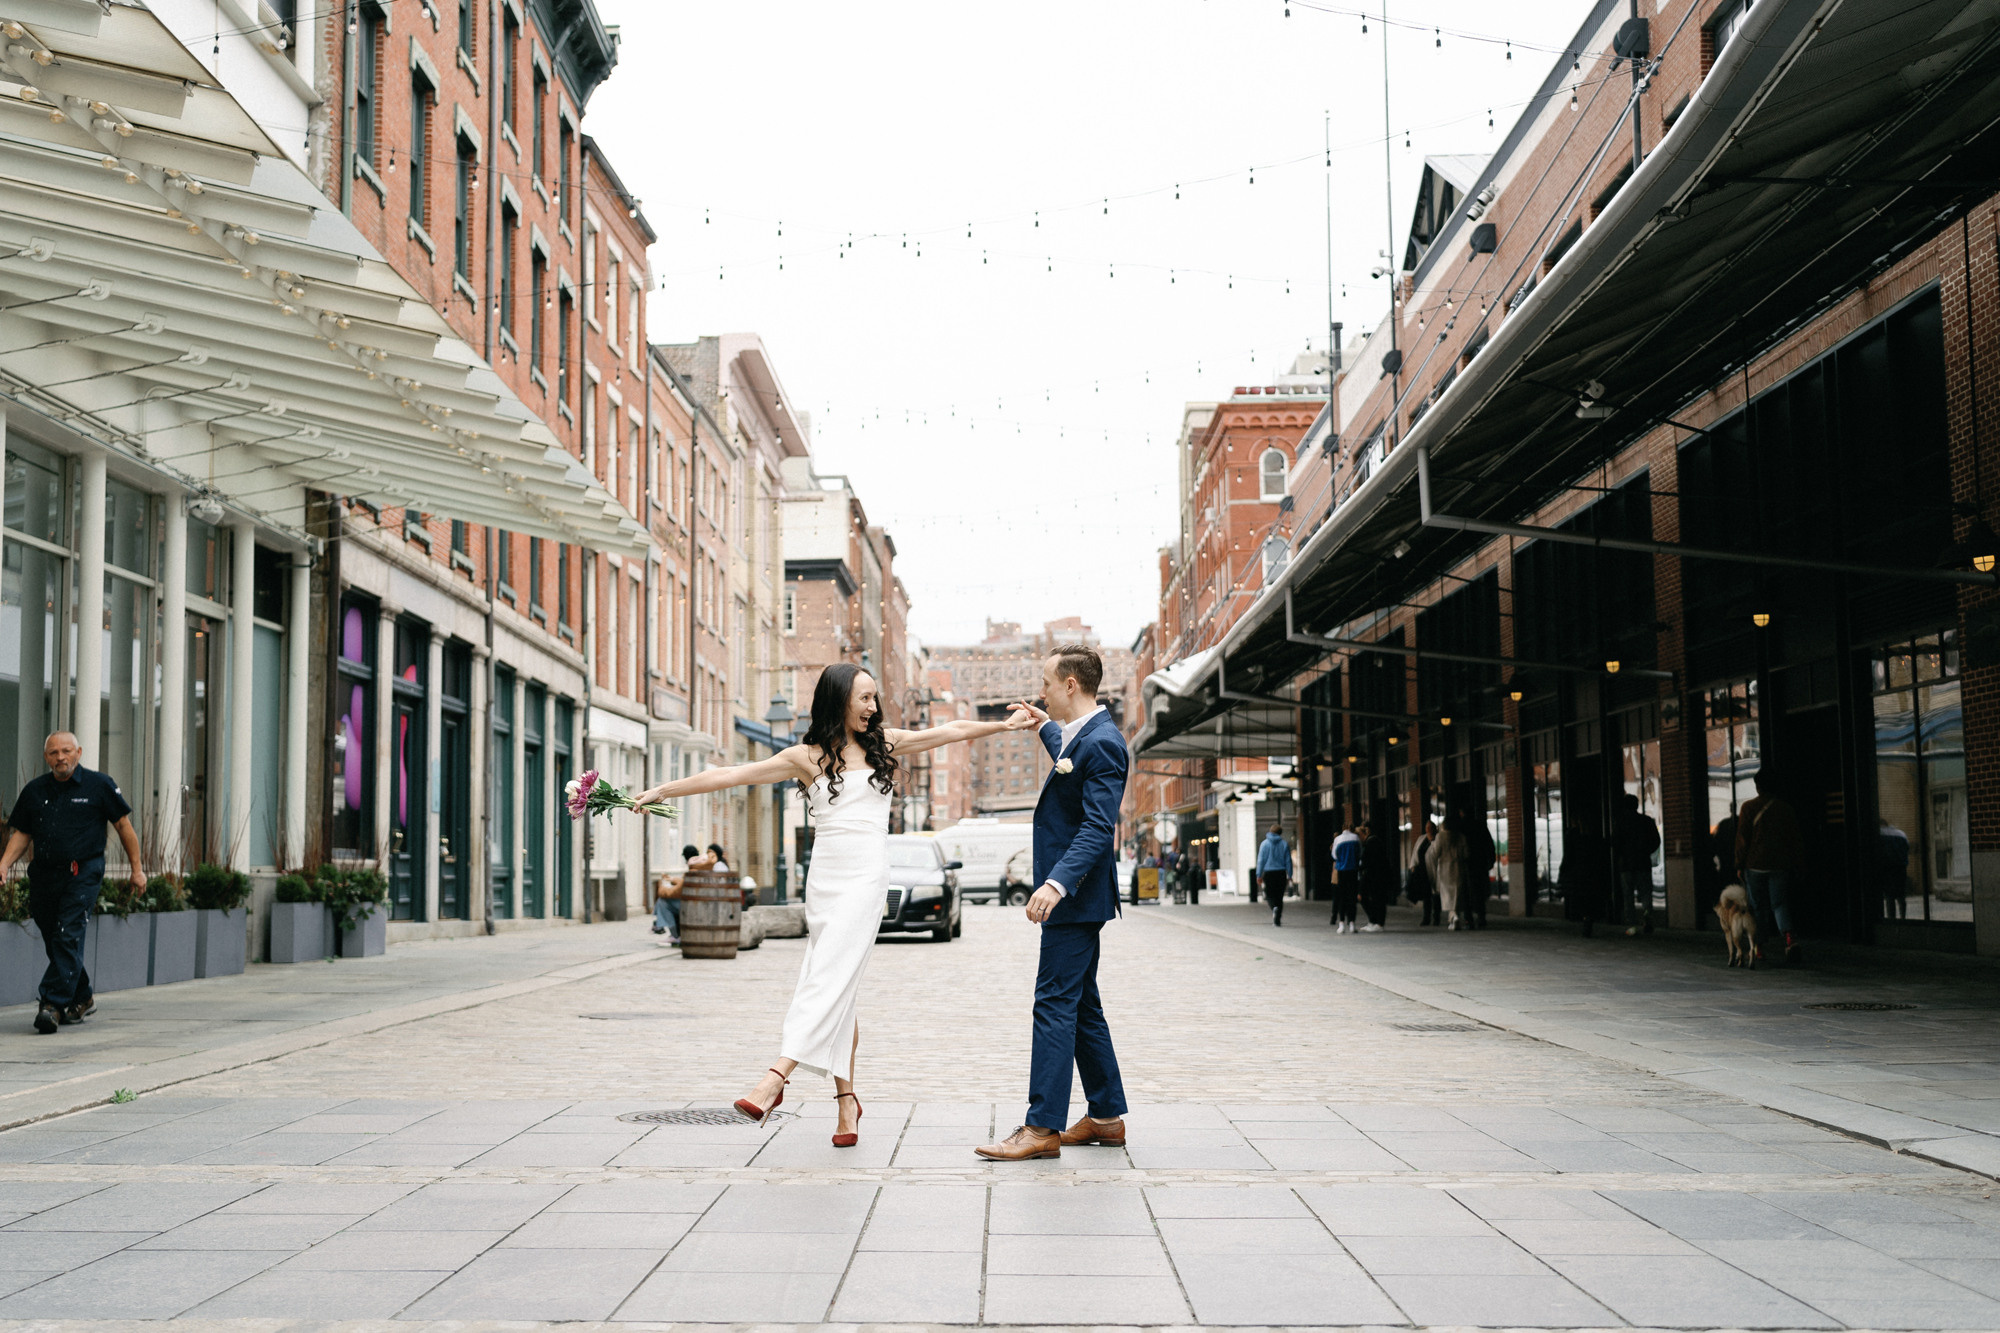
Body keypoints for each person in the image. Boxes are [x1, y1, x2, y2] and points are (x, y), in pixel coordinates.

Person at [631, 663, 1036, 1147]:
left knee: (825, 975)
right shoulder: (804, 757)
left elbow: (949, 730)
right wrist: (661, 790)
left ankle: (776, 1076)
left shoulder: (883, 745)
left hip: (868, 878)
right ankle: (847, 1103)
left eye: (874, 698)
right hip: (825, 880)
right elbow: (732, 774)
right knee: (838, 981)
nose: (872, 707)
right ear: (839, 699)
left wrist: (1002, 724)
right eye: (863, 698)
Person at [977, 644, 1131, 1162]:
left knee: (1054, 1004)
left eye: (1046, 682)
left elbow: (1096, 826)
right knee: (1082, 1005)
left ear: (1070, 684)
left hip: (1077, 900)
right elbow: (1070, 762)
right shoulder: (1085, 735)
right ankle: (1106, 1117)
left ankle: (1042, 1127)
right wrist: (1044, 725)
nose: (1039, 689)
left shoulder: (1104, 743)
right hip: (1081, 902)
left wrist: (1056, 883)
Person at [0, 733, 145, 1034]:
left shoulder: (99, 785)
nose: (60, 757)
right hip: (44, 875)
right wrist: (3, 864)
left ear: (78, 752)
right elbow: (22, 833)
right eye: (53, 752)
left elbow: (123, 826)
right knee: (56, 937)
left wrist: (137, 869)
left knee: (67, 934)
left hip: (83, 872)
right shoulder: (35, 790)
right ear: (46, 757)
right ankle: (82, 995)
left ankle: (51, 1004)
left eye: (66, 751)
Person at [1736, 769, 1805, 964]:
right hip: (1780, 865)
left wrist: (1739, 864)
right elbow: (1795, 840)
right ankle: (1790, 939)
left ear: (1757, 786)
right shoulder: (1785, 809)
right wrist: (1798, 864)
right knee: (1780, 904)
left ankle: (1758, 948)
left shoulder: (1748, 808)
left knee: (1759, 907)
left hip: (1755, 864)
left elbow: (1742, 839)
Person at [1613, 793, 1661, 936]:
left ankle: (1631, 925)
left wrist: (1622, 853)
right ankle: (1647, 916)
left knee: (1628, 896)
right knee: (1646, 893)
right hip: (1643, 863)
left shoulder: (1620, 822)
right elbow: (1656, 841)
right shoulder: (1646, 821)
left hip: (1626, 866)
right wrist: (1645, 851)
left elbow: (1615, 842)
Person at [653, 844, 704, 941]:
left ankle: (675, 935)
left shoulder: (692, 871)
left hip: (689, 905)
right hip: (697, 903)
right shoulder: (699, 867)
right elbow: (684, 883)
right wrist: (672, 879)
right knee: (664, 901)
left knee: (662, 902)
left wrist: (662, 888)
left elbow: (676, 892)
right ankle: (658, 924)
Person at [1431, 813, 1470, 930]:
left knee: (1448, 895)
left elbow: (1435, 853)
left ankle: (1453, 916)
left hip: (1445, 869)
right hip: (1458, 868)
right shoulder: (1461, 837)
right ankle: (1454, 915)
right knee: (1457, 894)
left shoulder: (1440, 837)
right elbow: (1467, 853)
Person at [1460, 808, 1496, 930]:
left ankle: (1468, 919)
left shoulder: (1461, 827)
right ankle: (1481, 917)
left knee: (1466, 893)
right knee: (1479, 892)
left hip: (1466, 864)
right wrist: (1491, 861)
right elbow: (1489, 844)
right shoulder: (1480, 826)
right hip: (1479, 863)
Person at [1356, 822, 1391, 932]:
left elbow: (1368, 861)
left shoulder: (1372, 842)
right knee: (1370, 897)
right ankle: (1373, 921)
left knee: (1377, 898)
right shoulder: (1370, 842)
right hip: (1373, 875)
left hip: (1375, 876)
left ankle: (1378, 923)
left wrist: (1360, 866)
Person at [1257, 825, 1291, 926]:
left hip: (1269, 873)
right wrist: (1290, 874)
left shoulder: (1264, 844)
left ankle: (1274, 908)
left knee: (1269, 894)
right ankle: (1278, 919)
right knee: (1279, 896)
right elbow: (1288, 861)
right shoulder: (1284, 844)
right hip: (1281, 873)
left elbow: (1261, 860)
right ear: (1280, 833)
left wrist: (1259, 874)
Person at [1330, 820, 1361, 933]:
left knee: (1341, 897)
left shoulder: (1337, 839)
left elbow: (1334, 855)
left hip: (1341, 870)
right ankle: (1352, 923)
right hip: (1353, 870)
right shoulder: (1356, 839)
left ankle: (1341, 923)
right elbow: (1359, 853)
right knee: (1352, 898)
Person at [1877, 818, 1910, 920]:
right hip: (1901, 868)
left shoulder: (1879, 834)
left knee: (1889, 897)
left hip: (1887, 869)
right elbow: (1907, 849)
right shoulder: (1901, 834)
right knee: (1901, 896)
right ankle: (1903, 917)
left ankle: (1892, 919)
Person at [1408, 821, 1438, 925]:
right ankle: (1426, 917)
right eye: (1427, 827)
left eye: (1430, 827)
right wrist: (1413, 866)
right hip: (1422, 871)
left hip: (1435, 870)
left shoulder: (1437, 839)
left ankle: (1436, 917)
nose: (1428, 829)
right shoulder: (1421, 839)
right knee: (1426, 895)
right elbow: (1415, 852)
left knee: (1436, 894)